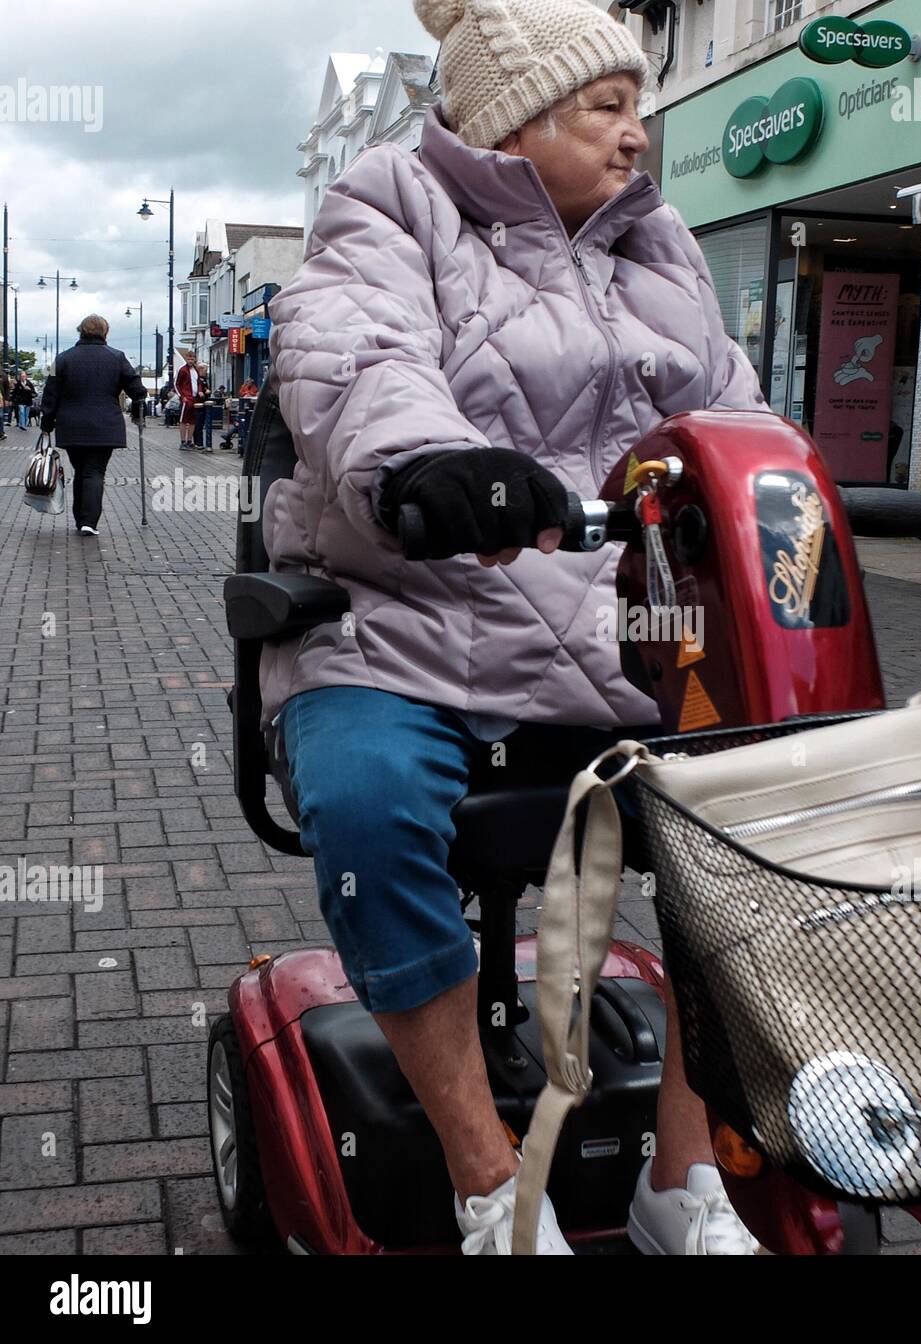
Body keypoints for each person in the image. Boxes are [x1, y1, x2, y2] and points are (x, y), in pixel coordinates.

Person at [265, 0, 768, 1256]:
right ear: (512, 120)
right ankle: (490, 1184)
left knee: (773, 809)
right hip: (405, 620)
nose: (636, 137)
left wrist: (784, 489)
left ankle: (682, 1174)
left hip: (625, 633)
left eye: (638, 108)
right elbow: (358, 358)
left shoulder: (663, 246)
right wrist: (433, 464)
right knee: (371, 807)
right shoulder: (385, 208)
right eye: (606, 108)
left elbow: (733, 409)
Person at [39, 314, 146, 537]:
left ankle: (81, 518)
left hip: (71, 425)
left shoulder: (61, 359)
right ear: (105, 332)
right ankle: (88, 521)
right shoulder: (117, 357)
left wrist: (46, 423)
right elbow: (138, 391)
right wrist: (138, 413)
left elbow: (50, 394)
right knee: (95, 471)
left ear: (81, 331)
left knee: (81, 470)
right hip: (105, 425)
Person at [176, 352, 202, 449]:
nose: (190, 361)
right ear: (186, 359)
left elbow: (198, 382)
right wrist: (182, 396)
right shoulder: (182, 370)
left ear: (195, 359)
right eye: (189, 359)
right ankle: (183, 441)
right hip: (186, 398)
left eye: (192, 359)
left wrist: (199, 391)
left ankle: (189, 441)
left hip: (194, 398)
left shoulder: (196, 370)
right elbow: (176, 384)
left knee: (192, 421)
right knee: (183, 420)